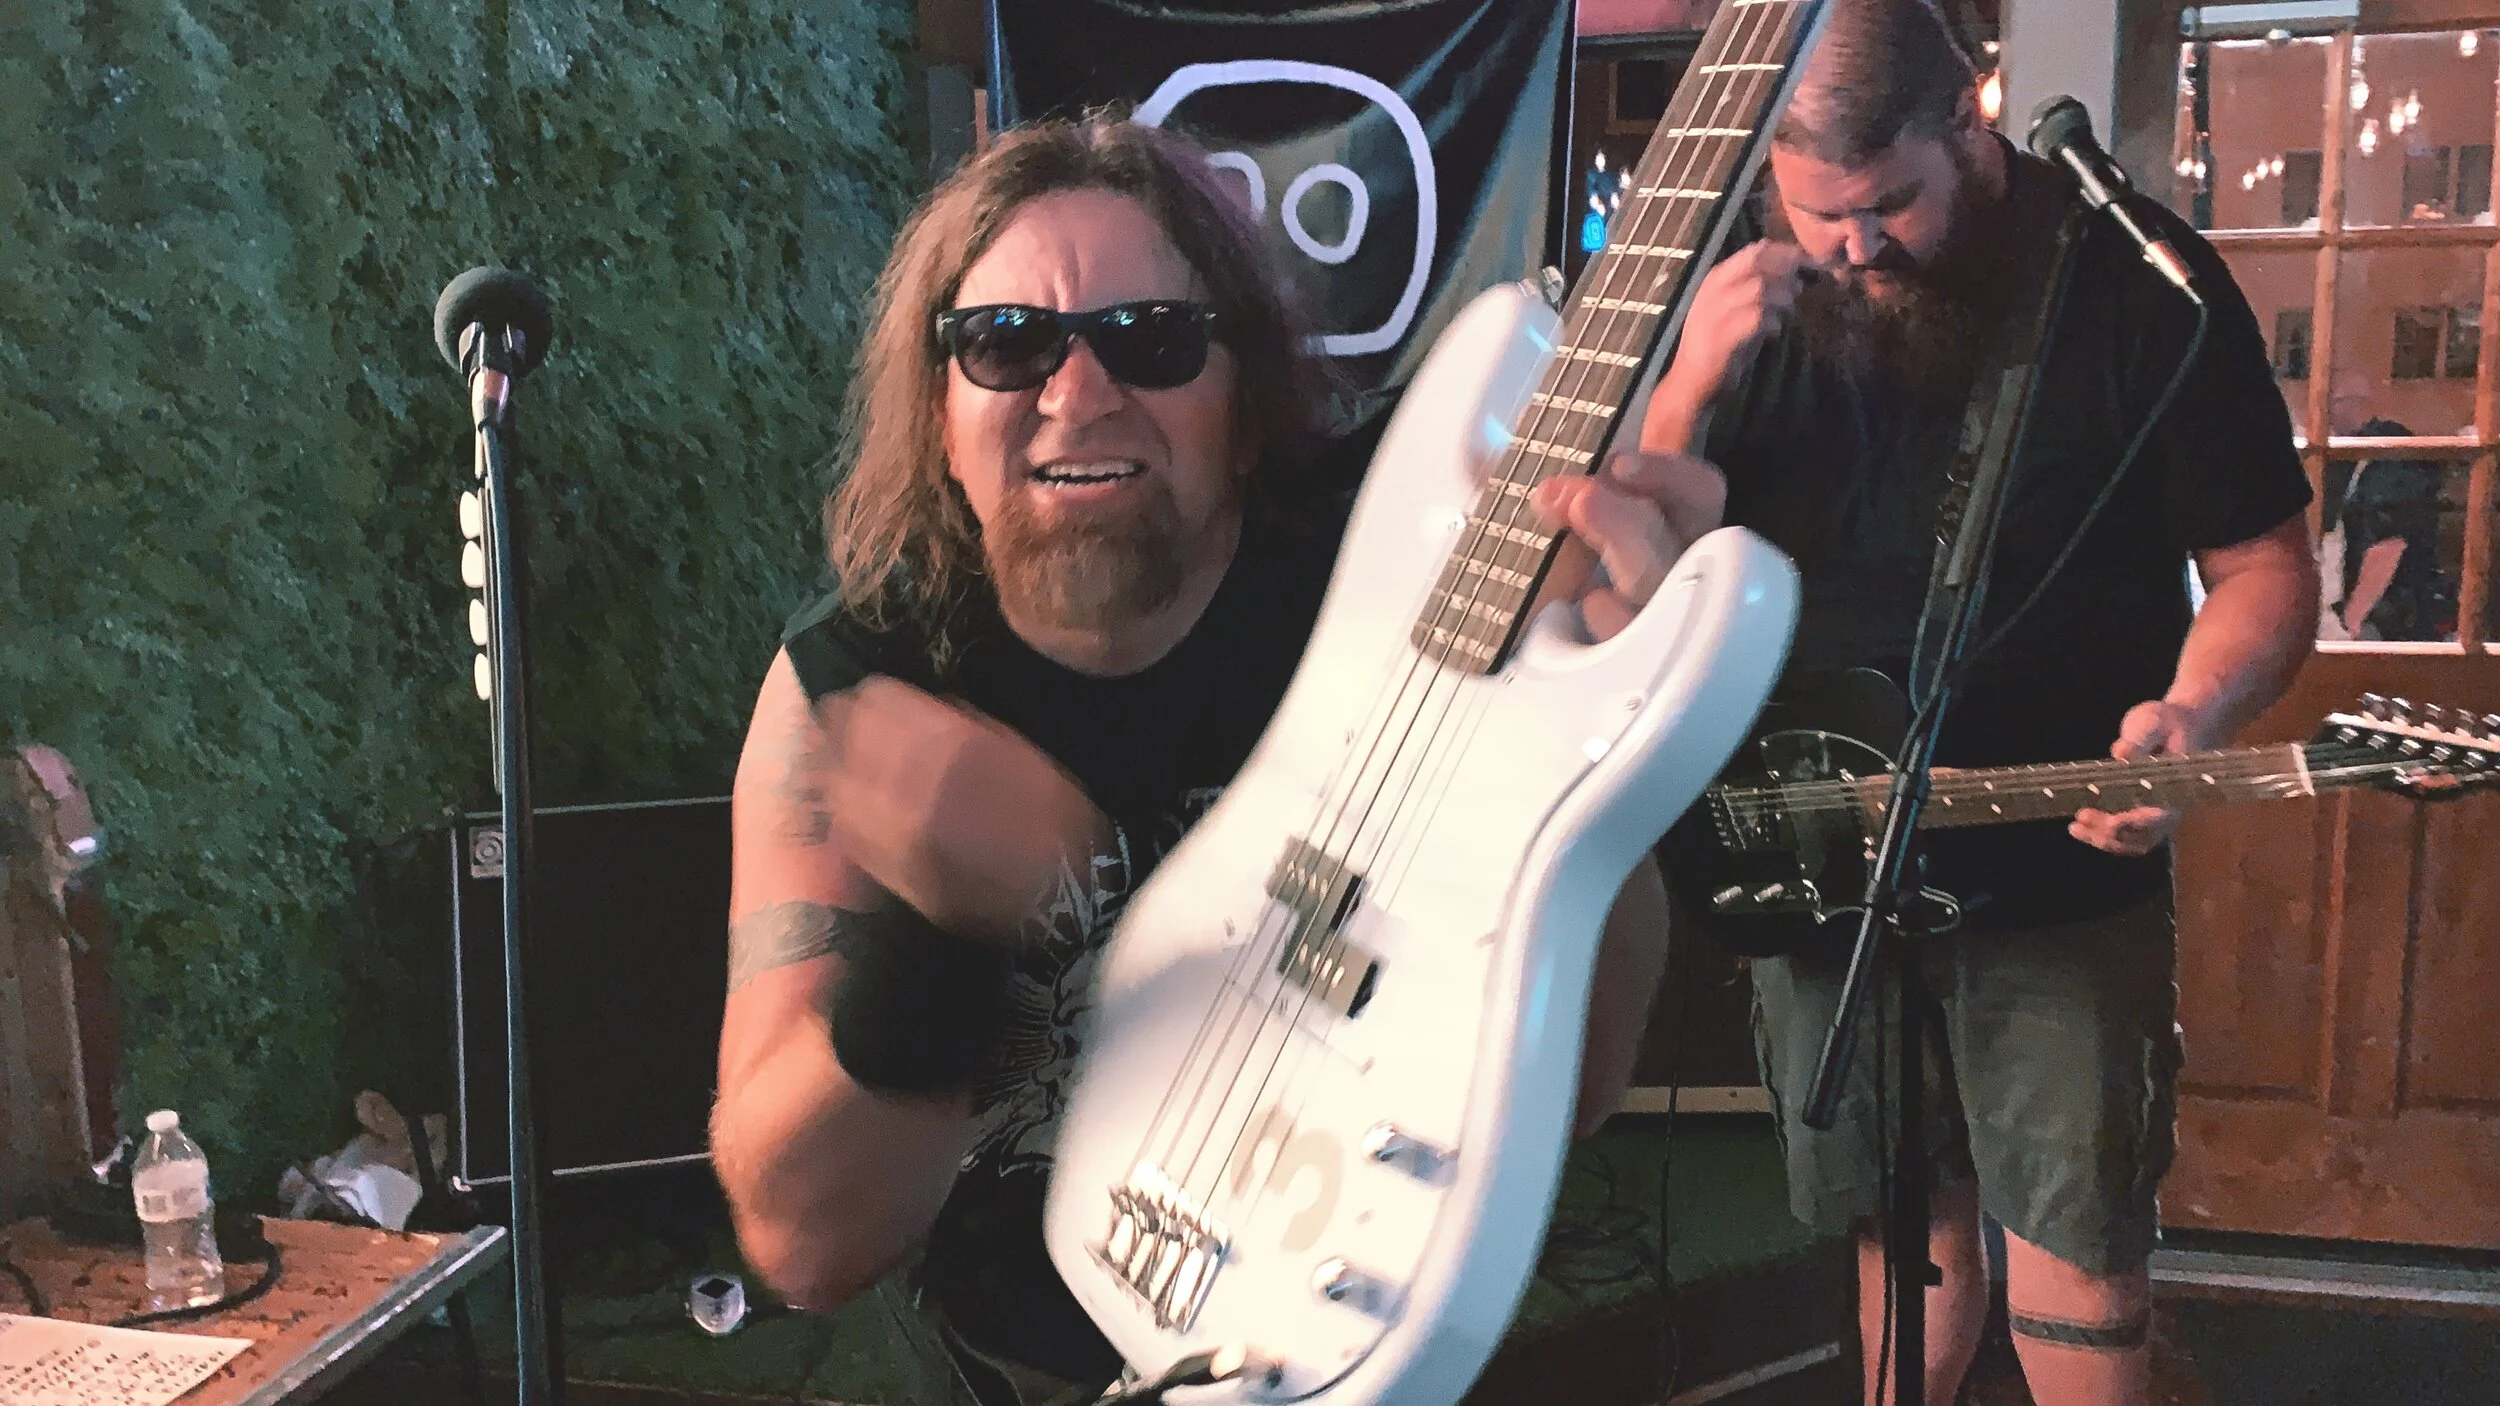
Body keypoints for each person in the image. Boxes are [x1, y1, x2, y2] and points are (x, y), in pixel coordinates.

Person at [708, 116, 1716, 1406]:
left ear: (1244, 408)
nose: (1078, 392)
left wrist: (1586, 749)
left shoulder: (1391, 613)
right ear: (941, 411)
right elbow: (802, 1244)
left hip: (1348, 1338)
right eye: (1005, 342)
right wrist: (942, 943)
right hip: (1003, 1364)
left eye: (1152, 339)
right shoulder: (862, 689)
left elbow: (1577, 1086)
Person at [1638, 4, 2318, 1404]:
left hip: (2057, 857)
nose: (1853, 246)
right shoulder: (1747, 285)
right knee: (1901, 1231)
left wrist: (2191, 715)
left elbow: (2264, 568)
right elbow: (1655, 569)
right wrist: (1686, 390)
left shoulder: (2137, 281)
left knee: (2073, 1244)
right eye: (1817, 209)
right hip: (1817, 845)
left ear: (1970, 118)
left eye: (1889, 202)